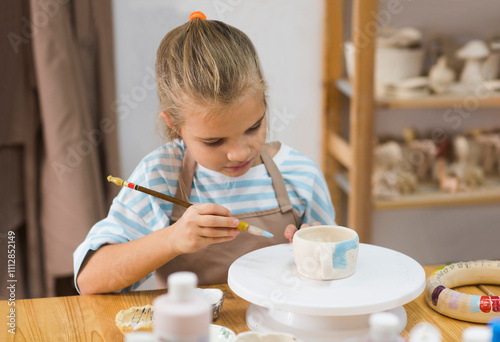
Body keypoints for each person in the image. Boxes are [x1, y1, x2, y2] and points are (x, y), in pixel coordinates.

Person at [74, 11, 335, 295]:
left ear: (264, 103)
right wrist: (172, 239)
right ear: (174, 125)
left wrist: (316, 254)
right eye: (214, 142)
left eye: (253, 127)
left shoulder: (301, 175)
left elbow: (337, 269)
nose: (238, 153)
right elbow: (89, 279)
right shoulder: (160, 176)